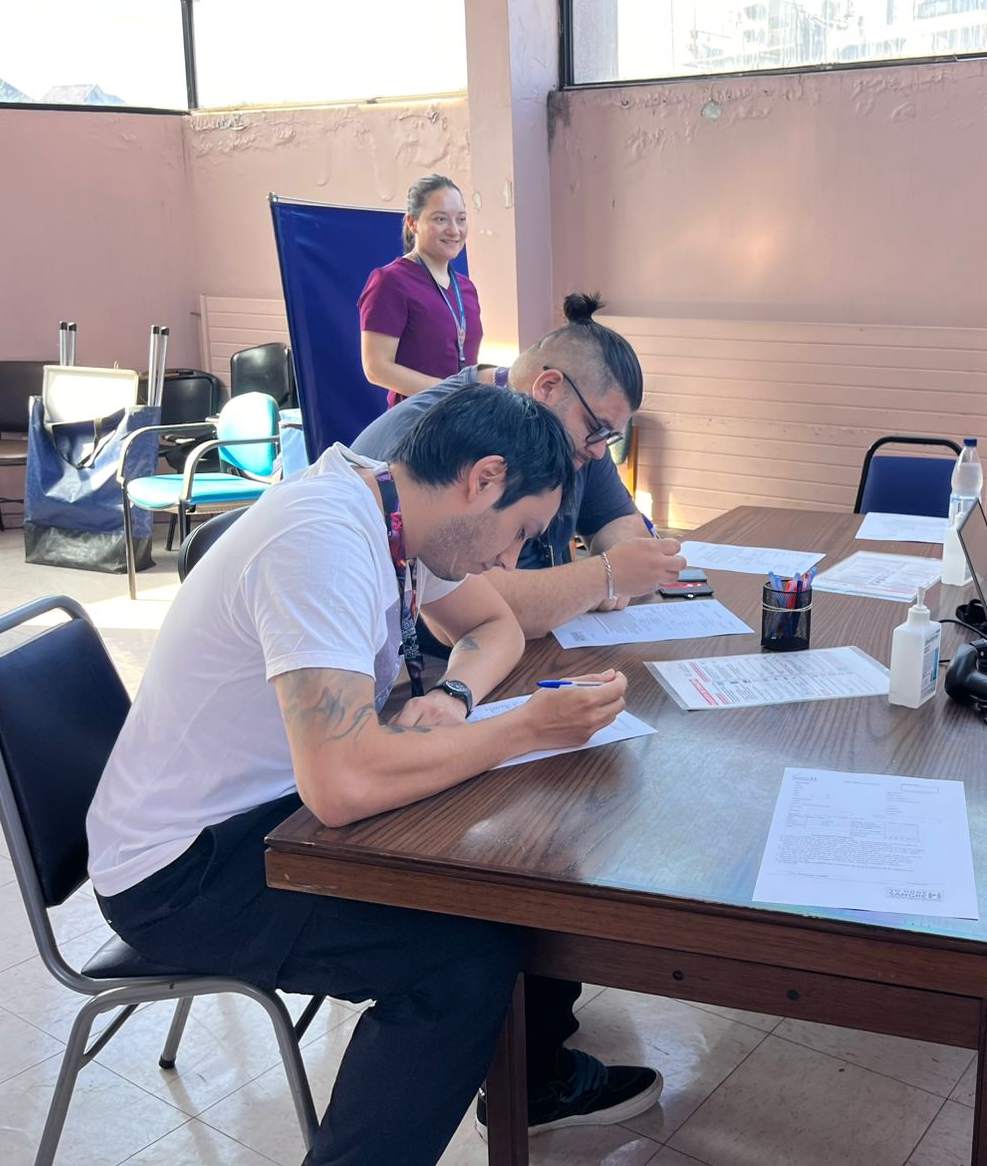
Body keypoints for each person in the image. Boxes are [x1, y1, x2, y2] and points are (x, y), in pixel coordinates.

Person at [85, 385, 658, 1165]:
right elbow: (344, 786)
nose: (508, 561)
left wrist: (457, 697)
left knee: (513, 864)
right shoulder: (321, 542)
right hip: (179, 872)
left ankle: (539, 1085)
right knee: (464, 962)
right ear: (484, 478)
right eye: (521, 532)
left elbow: (495, 625)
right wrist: (524, 727)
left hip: (268, 807)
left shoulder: (398, 513)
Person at [353, 292, 684, 638]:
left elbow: (620, 524)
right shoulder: (443, 434)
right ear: (549, 387)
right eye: (596, 428)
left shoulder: (577, 440)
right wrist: (607, 577)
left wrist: (620, 571)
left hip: (532, 646)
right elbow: (483, 613)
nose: (600, 451)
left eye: (609, 436)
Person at [360, 174, 483, 405]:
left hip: (464, 416)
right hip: (418, 418)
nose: (454, 230)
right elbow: (376, 367)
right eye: (440, 219)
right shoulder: (391, 281)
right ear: (412, 223)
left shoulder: (466, 288)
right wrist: (451, 392)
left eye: (461, 219)